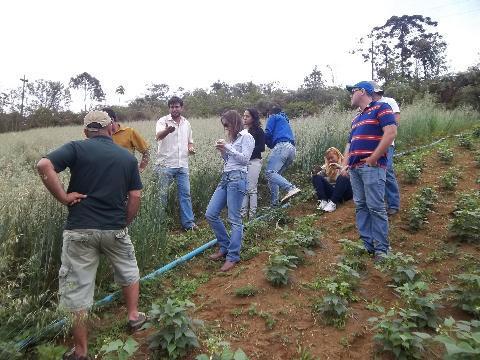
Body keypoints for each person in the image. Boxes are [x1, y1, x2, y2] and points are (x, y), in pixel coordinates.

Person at [36, 111, 145, 360]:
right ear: (111, 129)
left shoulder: (76, 148)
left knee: (77, 288)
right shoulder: (126, 158)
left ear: (86, 132)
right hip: (114, 229)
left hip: (79, 229)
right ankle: (133, 317)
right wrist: (123, 222)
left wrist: (64, 197)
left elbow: (44, 165)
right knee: (128, 271)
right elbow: (136, 196)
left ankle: (82, 351)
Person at [341, 81, 397, 262]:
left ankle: (382, 250)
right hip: (355, 169)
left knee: (375, 207)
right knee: (361, 206)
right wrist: (345, 163)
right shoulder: (356, 118)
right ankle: (368, 246)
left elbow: (390, 132)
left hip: (371, 167)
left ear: (363, 91)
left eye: (352, 91)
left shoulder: (382, 107)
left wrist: (374, 158)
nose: (350, 94)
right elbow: (349, 144)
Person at [206, 110, 255, 272]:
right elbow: (230, 161)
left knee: (234, 219)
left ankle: (233, 256)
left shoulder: (246, 137)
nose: (226, 128)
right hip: (226, 177)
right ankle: (225, 246)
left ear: (234, 122)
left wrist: (228, 147)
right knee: (211, 213)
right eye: (224, 126)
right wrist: (223, 152)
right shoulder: (233, 140)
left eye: (227, 125)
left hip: (238, 178)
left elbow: (245, 159)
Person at [155, 96, 197, 231]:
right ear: (169, 108)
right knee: (162, 196)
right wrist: (167, 130)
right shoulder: (162, 121)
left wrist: (190, 148)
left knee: (185, 195)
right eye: (172, 107)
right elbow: (158, 137)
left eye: (177, 106)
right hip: (165, 165)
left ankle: (189, 224)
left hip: (182, 165)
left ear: (181, 108)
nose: (174, 109)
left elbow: (190, 141)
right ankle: (159, 226)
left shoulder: (187, 123)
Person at [367, 81, 401, 215]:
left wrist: (384, 131)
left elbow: (396, 120)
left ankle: (393, 204)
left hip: (386, 143)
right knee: (376, 173)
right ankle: (381, 203)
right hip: (372, 145)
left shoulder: (389, 101)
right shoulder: (368, 106)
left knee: (387, 170)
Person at [264, 106, 301, 205]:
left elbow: (267, 134)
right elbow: (272, 142)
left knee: (269, 173)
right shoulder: (284, 120)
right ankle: (275, 204)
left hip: (281, 147)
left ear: (270, 113)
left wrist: (256, 138)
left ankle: (291, 188)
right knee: (274, 176)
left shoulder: (273, 117)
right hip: (292, 149)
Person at [102, 108, 150, 173]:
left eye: (103, 121)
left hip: (128, 175)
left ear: (112, 119)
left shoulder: (129, 132)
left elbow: (146, 151)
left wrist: (141, 168)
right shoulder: (101, 135)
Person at [240, 108, 265, 219]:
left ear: (253, 118)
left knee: (252, 189)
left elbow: (261, 147)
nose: (244, 118)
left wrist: (248, 152)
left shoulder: (259, 131)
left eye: (247, 116)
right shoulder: (242, 132)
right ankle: (243, 215)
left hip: (254, 162)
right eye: (244, 116)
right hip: (244, 163)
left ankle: (252, 216)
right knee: (244, 189)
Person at [311, 147, 353, 212]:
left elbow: (353, 177)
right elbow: (318, 180)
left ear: (337, 155)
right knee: (316, 176)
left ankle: (333, 203)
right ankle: (323, 201)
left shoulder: (346, 163)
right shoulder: (326, 167)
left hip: (346, 193)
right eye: (328, 159)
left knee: (343, 176)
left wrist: (340, 167)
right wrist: (315, 172)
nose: (330, 160)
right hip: (334, 193)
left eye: (332, 157)